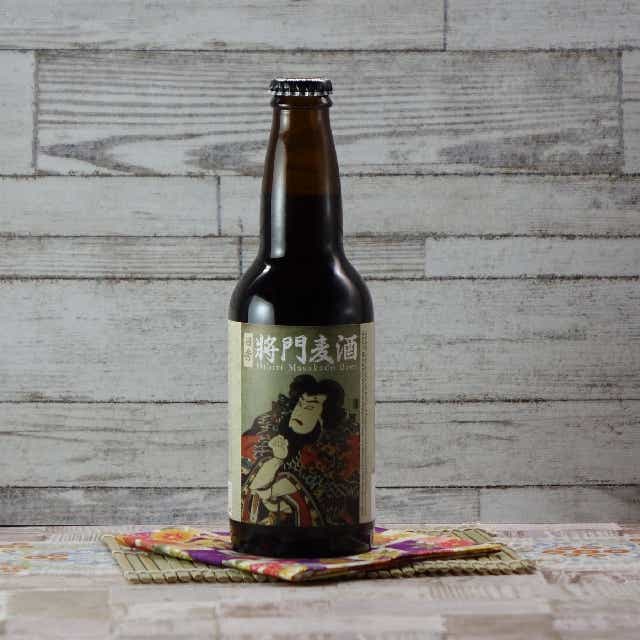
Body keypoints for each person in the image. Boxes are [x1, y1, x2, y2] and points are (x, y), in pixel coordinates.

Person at [241, 375, 357, 527]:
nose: (299, 412)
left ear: (323, 418)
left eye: (309, 408)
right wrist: (277, 459)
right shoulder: (266, 432)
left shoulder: (331, 456)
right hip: (260, 530)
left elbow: (265, 491)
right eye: (300, 404)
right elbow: (253, 489)